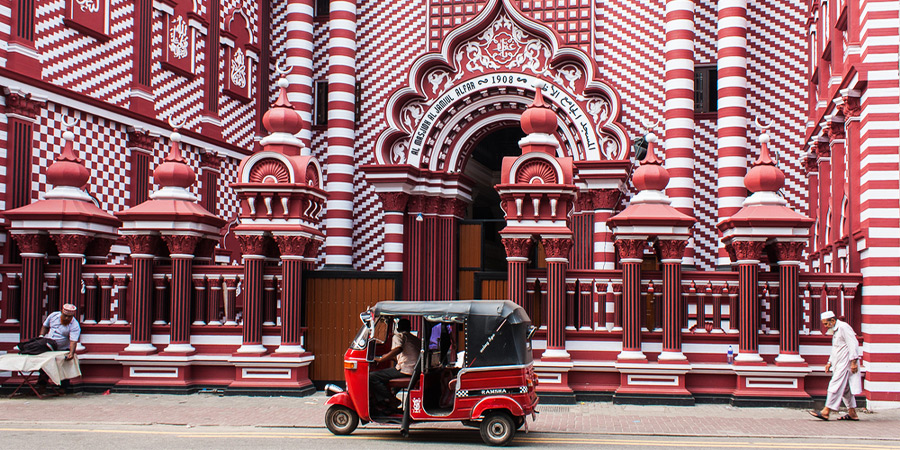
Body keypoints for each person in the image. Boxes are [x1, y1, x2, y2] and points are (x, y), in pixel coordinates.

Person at [809, 311, 861, 421]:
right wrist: (829, 362)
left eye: (826, 324)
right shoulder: (836, 330)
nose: (825, 326)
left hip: (846, 363)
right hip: (839, 362)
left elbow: (853, 344)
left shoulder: (843, 327)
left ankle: (826, 411)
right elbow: (836, 348)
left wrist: (853, 362)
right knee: (846, 389)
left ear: (832, 320)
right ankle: (852, 413)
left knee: (834, 385)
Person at [369, 318, 421, 414]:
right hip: (415, 370)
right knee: (386, 374)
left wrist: (380, 359)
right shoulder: (414, 339)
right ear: (410, 328)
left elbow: (398, 349)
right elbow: (404, 355)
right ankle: (389, 400)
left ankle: (391, 400)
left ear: (398, 328)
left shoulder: (399, 336)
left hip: (406, 370)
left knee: (372, 377)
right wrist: (388, 357)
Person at [35, 303, 81, 392]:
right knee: (44, 367)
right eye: (65, 316)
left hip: (62, 348)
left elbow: (73, 341)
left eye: (69, 317)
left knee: (63, 367)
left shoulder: (74, 325)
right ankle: (41, 386)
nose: (67, 318)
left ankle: (63, 388)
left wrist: (71, 353)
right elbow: (45, 326)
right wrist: (41, 336)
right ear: (61, 312)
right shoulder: (53, 316)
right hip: (48, 345)